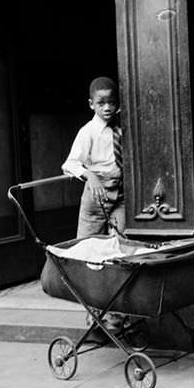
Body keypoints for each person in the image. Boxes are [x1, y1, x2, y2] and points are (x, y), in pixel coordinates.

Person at [62, 76, 126, 334]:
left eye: (111, 102)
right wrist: (91, 176)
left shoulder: (122, 128)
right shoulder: (87, 132)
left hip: (120, 193)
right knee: (87, 254)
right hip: (95, 195)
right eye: (101, 103)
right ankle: (93, 319)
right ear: (91, 104)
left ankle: (117, 320)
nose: (107, 107)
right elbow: (70, 164)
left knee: (119, 252)